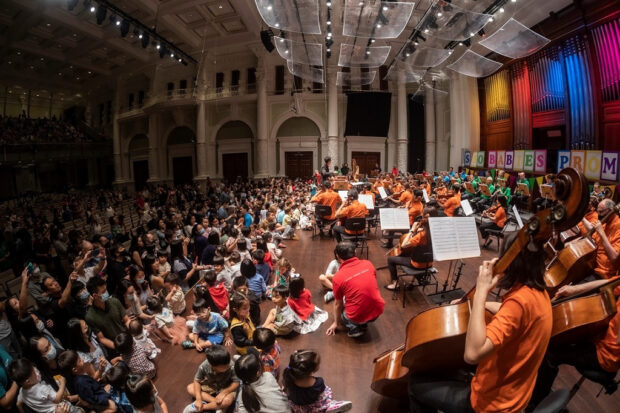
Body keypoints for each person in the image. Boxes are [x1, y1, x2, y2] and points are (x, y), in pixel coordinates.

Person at [408, 231, 553, 412]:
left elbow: (472, 354)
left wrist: (481, 293)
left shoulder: (518, 303)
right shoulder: (539, 294)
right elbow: (513, 314)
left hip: (491, 404)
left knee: (415, 384)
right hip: (518, 395)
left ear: (510, 262)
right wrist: (477, 303)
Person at [326, 242, 385, 338]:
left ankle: (354, 327)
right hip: (377, 311)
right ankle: (361, 322)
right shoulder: (368, 264)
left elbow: (338, 304)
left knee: (341, 315)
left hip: (355, 316)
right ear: (355, 252)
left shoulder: (338, 277)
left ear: (337, 256)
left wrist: (335, 323)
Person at [282, 350, 352, 413]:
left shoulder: (288, 378)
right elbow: (321, 392)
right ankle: (329, 406)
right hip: (313, 407)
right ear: (312, 371)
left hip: (296, 406)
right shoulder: (318, 382)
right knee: (326, 392)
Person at [385, 207, 437, 291]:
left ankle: (395, 284)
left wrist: (412, 230)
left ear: (425, 218)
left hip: (417, 264)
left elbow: (404, 245)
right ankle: (419, 278)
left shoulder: (421, 235)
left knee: (390, 259)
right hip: (429, 263)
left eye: (423, 216)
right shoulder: (436, 231)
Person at [9, 358, 81, 413]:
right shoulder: (42, 389)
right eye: (34, 371)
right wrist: (62, 384)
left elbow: (18, 404)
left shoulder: (22, 392)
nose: (36, 370)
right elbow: (57, 399)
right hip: (62, 409)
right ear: (28, 381)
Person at [184, 345, 239, 413]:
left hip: (227, 387)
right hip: (211, 385)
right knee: (190, 388)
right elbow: (196, 380)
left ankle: (201, 407)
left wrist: (224, 392)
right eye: (224, 367)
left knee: (227, 401)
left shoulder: (231, 365)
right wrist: (198, 399)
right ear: (212, 366)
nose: (228, 366)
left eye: (228, 364)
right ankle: (218, 405)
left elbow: (236, 382)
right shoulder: (204, 366)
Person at [85, 277, 129, 350]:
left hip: (127, 338)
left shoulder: (114, 301)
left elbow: (127, 320)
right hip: (115, 347)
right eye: (103, 292)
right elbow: (102, 338)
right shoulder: (90, 316)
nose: (106, 293)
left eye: (106, 290)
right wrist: (119, 347)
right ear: (95, 296)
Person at [581, 198, 620, 279]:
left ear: (611, 211)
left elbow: (614, 257)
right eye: (598, 211)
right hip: (591, 266)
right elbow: (592, 239)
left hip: (604, 274)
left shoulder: (618, 226)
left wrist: (601, 233)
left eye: (601, 212)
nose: (598, 214)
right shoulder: (604, 223)